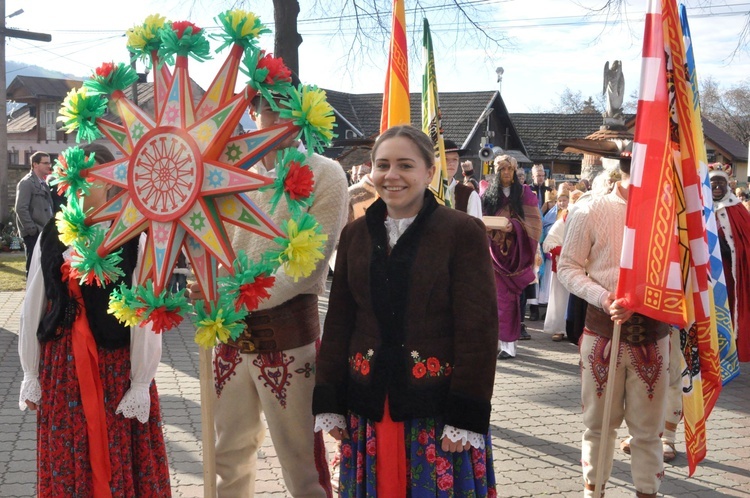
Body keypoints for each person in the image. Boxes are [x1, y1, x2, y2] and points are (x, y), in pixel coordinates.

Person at [313, 124, 498, 497]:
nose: (391, 176)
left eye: (405, 165)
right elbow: (339, 321)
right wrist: (330, 399)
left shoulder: (462, 231)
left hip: (436, 408)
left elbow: (478, 328)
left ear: (430, 172)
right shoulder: (355, 235)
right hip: (367, 403)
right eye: (382, 165)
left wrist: (466, 415)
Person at [201, 93, 349, 497]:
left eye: (287, 105)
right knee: (227, 456)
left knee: (301, 462)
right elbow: (219, 248)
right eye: (267, 106)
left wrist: (232, 300)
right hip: (229, 340)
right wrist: (209, 283)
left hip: (288, 339)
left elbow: (307, 268)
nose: (277, 115)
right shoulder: (234, 173)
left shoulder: (327, 173)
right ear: (253, 114)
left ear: (303, 112)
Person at [18, 143, 171, 497]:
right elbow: (33, 303)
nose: (85, 183)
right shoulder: (52, 233)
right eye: (78, 175)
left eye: (95, 174)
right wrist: (30, 371)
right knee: (67, 451)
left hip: (114, 366)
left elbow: (144, 315)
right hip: (62, 366)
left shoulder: (133, 236)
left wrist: (140, 381)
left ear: (113, 180)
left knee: (116, 449)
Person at [557, 154, 670, 498]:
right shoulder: (591, 209)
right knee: (598, 427)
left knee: (648, 432)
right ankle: (594, 493)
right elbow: (568, 267)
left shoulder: (673, 212)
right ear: (625, 164)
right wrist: (604, 297)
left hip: (654, 334)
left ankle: (647, 491)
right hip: (603, 331)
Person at [483, 154, 542, 359]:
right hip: (493, 253)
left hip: (516, 255)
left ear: (515, 171)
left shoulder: (525, 194)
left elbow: (534, 225)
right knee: (494, 300)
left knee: (511, 300)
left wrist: (513, 226)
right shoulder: (488, 194)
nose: (506, 173)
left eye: (509, 169)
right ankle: (498, 342)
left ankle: (509, 346)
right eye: (502, 170)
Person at [709, 164, 750, 362]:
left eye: (721, 183)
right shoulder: (700, 207)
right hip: (707, 273)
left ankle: (730, 348)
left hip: (730, 273)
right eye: (713, 183)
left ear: (728, 186)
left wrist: (731, 248)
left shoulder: (738, 210)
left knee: (729, 307)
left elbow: (746, 241)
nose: (717, 186)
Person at [15, 151, 54, 275]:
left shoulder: (43, 182)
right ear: (35, 164)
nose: (49, 166)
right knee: (33, 267)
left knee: (42, 268)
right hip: (34, 233)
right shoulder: (26, 183)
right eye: (45, 163)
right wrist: (32, 230)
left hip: (44, 231)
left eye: (50, 163)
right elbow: (20, 208)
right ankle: (30, 294)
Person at [441, 139, 482, 218]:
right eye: (445, 159)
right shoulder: (423, 192)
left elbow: (475, 228)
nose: (451, 163)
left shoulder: (469, 195)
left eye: (455, 159)